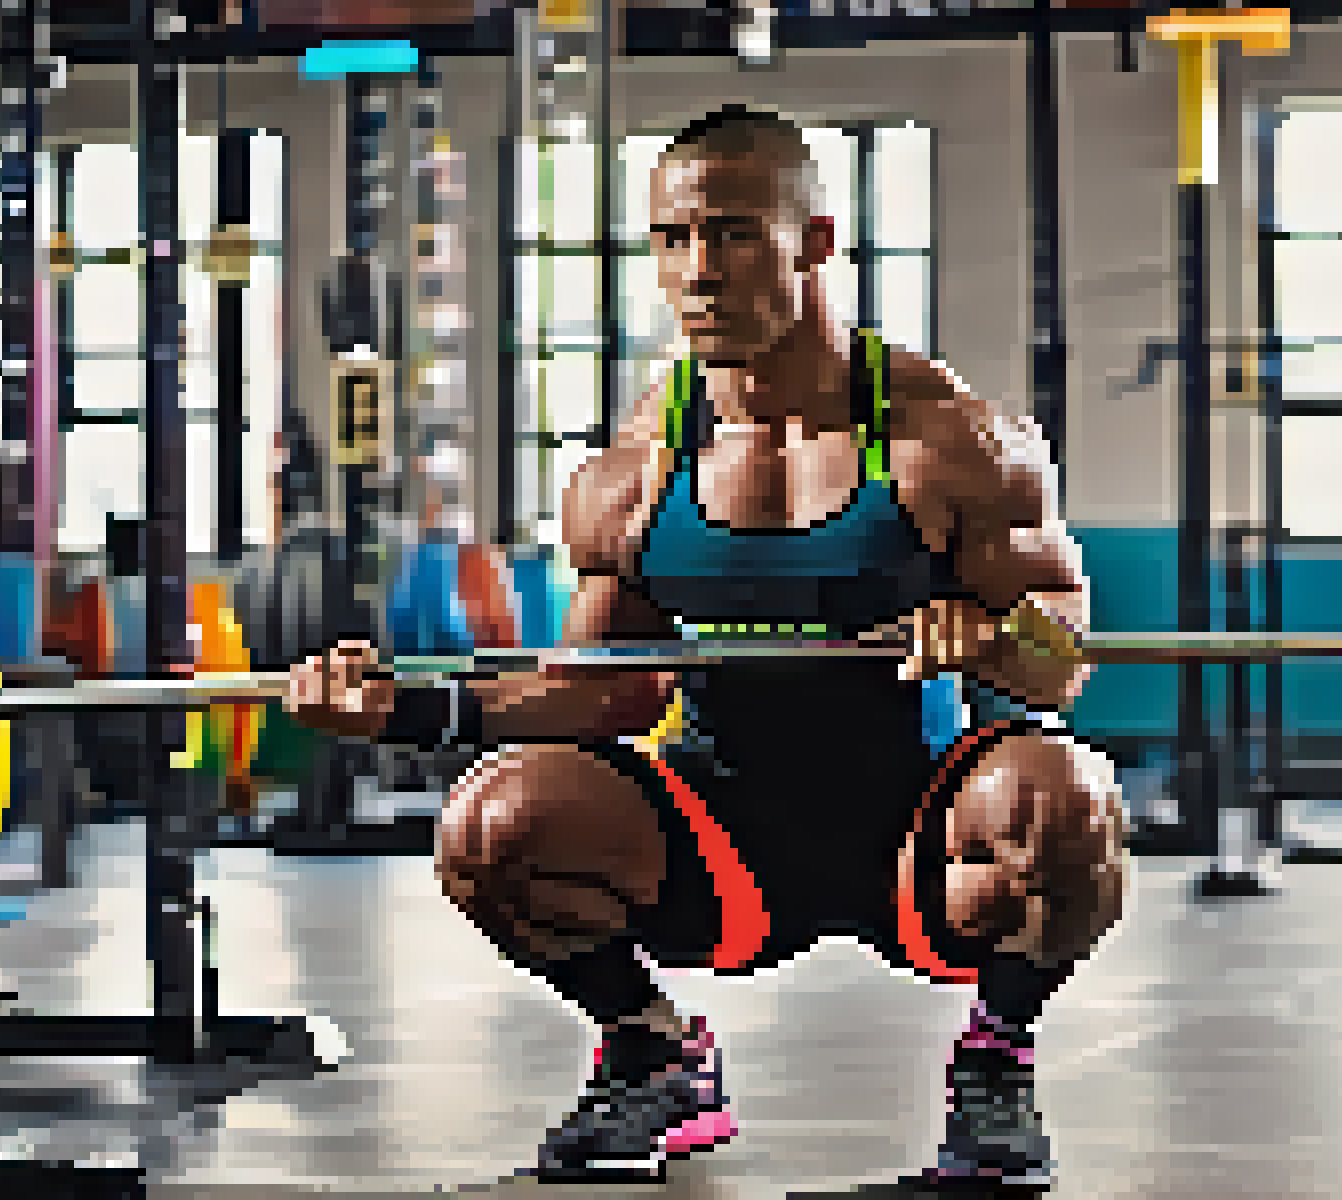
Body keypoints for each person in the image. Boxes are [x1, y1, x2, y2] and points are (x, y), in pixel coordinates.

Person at [286, 104, 1128, 1193]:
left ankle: (997, 1066)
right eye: (672, 240)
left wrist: (990, 638)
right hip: (720, 848)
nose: (699, 272)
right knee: (493, 825)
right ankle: (651, 1051)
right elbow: (596, 699)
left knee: (1066, 797)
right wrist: (400, 711)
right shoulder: (633, 473)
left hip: (923, 843)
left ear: (814, 242)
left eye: (733, 234)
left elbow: (1060, 665)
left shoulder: (946, 440)